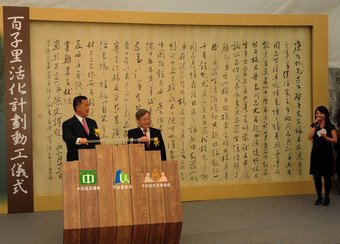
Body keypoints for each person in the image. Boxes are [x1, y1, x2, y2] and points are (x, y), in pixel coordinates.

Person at [308, 105, 337, 206]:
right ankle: (319, 197)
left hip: (327, 154)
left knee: (327, 177)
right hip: (316, 153)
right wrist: (314, 125)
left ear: (325, 114)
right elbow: (309, 137)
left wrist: (326, 138)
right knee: (317, 177)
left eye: (320, 113)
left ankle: (327, 197)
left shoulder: (330, 126)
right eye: (317, 113)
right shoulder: (314, 125)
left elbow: (335, 140)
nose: (318, 115)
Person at [62, 95, 100, 161]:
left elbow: (97, 138)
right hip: (76, 160)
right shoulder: (68, 123)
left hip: (92, 160)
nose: (88, 108)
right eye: (86, 106)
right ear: (78, 108)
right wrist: (79, 140)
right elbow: (67, 138)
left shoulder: (93, 122)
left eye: (88, 105)